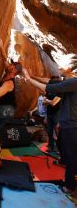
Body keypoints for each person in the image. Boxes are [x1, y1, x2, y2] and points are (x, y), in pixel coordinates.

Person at [22, 67, 77, 198]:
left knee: (71, 157)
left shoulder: (74, 82)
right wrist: (33, 76)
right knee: (69, 154)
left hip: (71, 126)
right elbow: (50, 82)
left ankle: (69, 187)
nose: (60, 67)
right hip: (69, 124)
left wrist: (29, 79)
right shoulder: (71, 83)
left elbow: (49, 88)